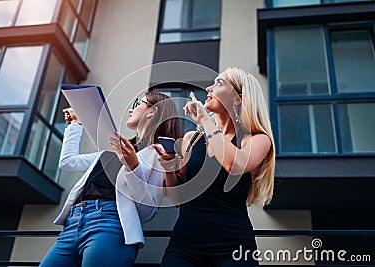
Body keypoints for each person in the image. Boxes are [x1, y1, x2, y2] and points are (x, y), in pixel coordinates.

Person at [39, 91, 181, 267]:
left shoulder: (160, 153)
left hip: (110, 224)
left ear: (152, 111)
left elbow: (147, 211)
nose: (131, 109)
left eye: (138, 103)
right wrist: (76, 124)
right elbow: (68, 163)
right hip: (73, 223)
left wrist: (133, 167)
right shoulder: (115, 148)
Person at [155, 67, 275, 267]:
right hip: (184, 244)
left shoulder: (256, 140)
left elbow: (234, 165)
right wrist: (168, 167)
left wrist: (204, 120)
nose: (209, 88)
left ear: (237, 98)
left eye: (219, 83)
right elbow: (179, 200)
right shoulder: (191, 140)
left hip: (232, 247)